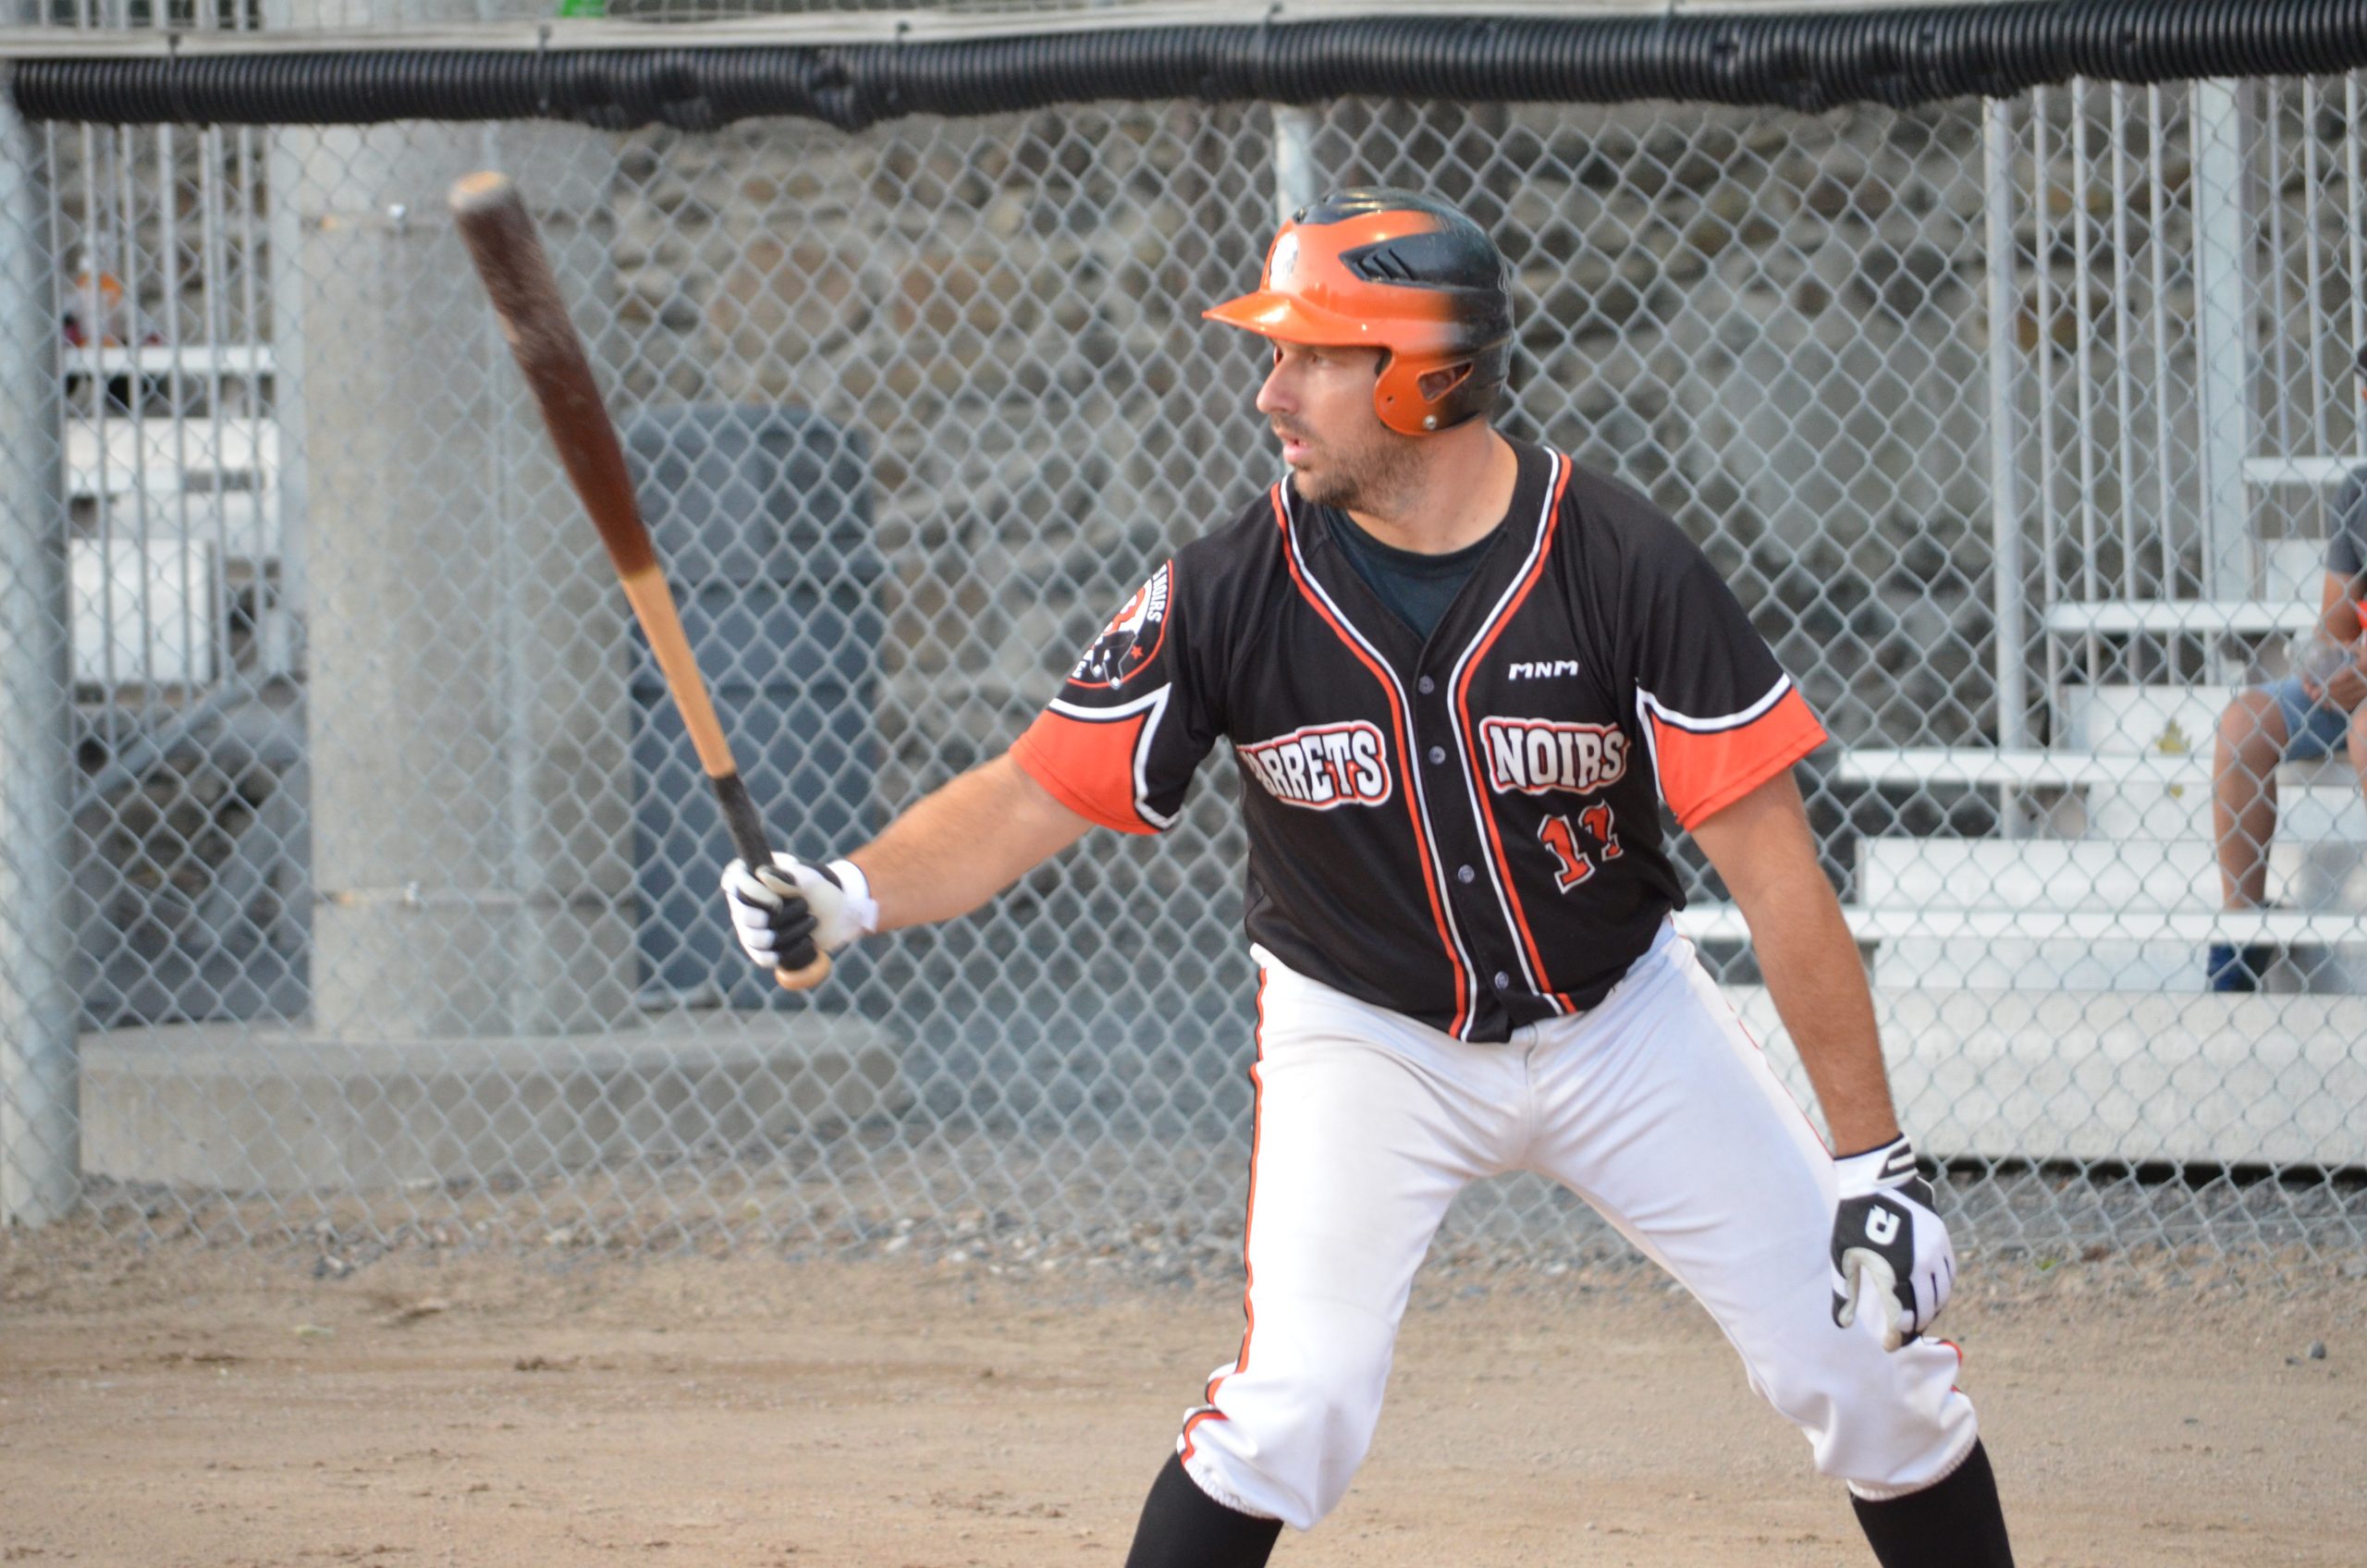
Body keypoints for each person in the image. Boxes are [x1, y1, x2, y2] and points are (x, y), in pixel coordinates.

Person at [721, 190, 2015, 1567]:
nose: (1270, 393)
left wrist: (1875, 1163)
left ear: (1426, 378)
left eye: (1314, 357)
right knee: (1294, 1409)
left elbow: (1779, 879)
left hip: (1623, 1023)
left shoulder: (1618, 562)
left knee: (1870, 1364)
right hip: (1364, 1035)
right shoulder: (1229, 588)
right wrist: (849, 891)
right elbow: (1033, 791)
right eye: (1274, 353)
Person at [2209, 351, 2367, 992]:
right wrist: (2327, 666)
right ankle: (2243, 935)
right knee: (2242, 723)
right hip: (2361, 682)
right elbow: (2335, 623)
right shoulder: (2360, 491)